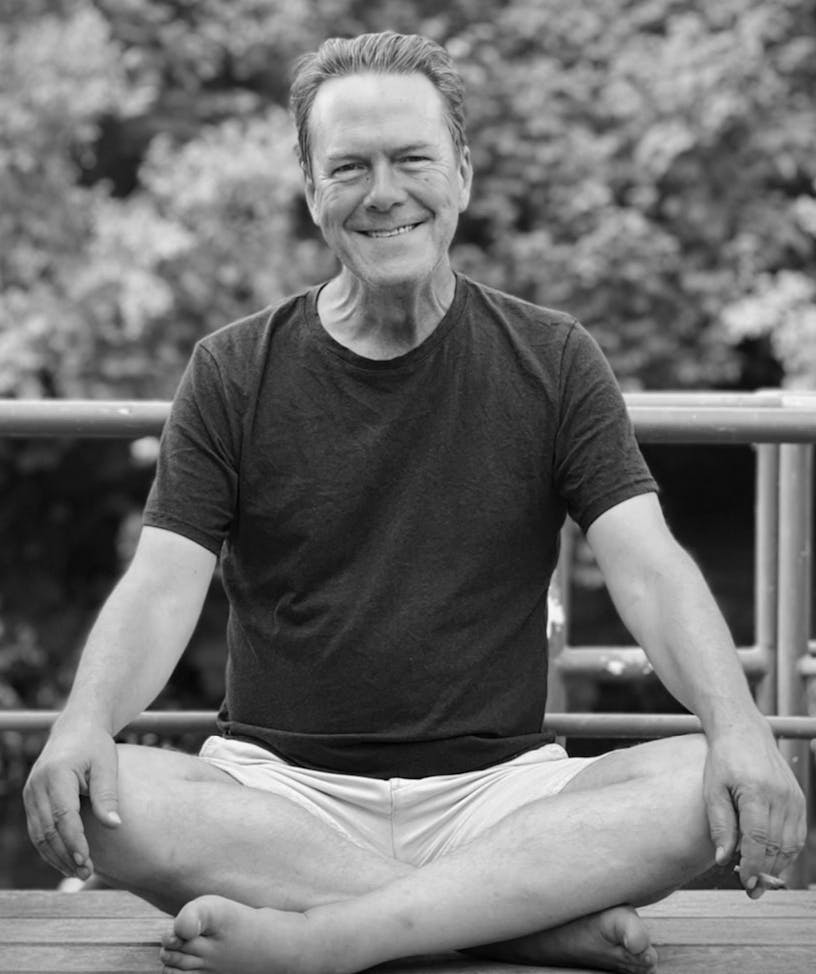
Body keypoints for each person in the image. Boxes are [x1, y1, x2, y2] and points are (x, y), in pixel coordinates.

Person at [24, 31, 805, 974]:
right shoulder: (232, 369)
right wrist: (81, 723)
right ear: (311, 189)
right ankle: (508, 921)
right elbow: (159, 589)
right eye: (349, 167)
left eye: (412, 160)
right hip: (277, 797)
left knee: (696, 776)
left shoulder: (554, 358)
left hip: (501, 798)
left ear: (462, 175)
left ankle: (336, 939)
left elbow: (648, 568)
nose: (383, 192)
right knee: (106, 792)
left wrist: (742, 729)